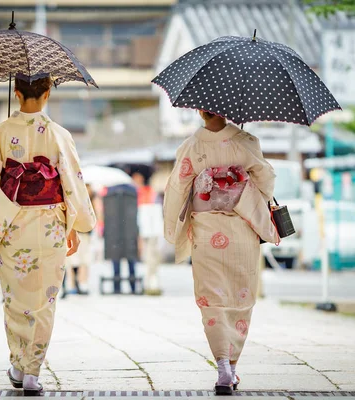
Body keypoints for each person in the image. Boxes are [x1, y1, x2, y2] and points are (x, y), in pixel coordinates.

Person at [0, 73, 96, 396]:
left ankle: (17, 363)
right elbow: (72, 183)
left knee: (15, 297)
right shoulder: (59, 135)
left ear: (16, 91)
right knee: (45, 299)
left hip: (11, 225)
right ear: (48, 91)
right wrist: (75, 224)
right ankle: (31, 373)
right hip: (51, 223)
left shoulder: (0, 133)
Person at [163, 110, 279, 395]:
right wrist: (242, 187)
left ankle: (223, 365)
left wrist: (172, 227)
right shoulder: (246, 141)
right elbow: (266, 180)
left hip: (206, 231)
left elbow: (177, 188)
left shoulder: (191, 146)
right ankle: (234, 365)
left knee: (211, 296)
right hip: (241, 228)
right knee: (241, 294)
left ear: (199, 110)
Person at [103, 182, 139, 294]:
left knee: (117, 259)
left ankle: (117, 287)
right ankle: (132, 287)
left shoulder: (110, 192)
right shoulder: (131, 192)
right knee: (130, 259)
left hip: (114, 232)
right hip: (127, 231)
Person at [132, 170, 164, 296]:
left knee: (153, 253)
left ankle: (152, 279)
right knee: (147, 254)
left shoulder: (149, 191)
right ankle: (149, 280)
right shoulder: (134, 192)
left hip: (151, 224)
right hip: (141, 225)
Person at [62, 183, 95, 297]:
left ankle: (78, 284)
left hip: (84, 234)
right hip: (72, 231)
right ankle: (69, 285)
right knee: (70, 260)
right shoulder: (75, 197)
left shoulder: (90, 201)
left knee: (82, 259)